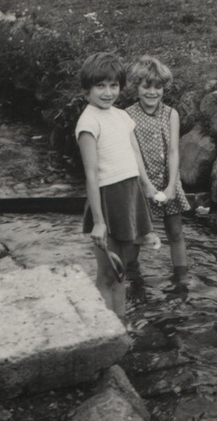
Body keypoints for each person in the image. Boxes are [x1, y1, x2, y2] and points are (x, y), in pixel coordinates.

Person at [76, 52, 155, 324]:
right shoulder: (88, 122)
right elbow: (91, 173)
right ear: (87, 88)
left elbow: (135, 154)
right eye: (100, 86)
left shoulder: (122, 116)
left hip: (129, 194)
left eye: (113, 85)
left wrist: (147, 186)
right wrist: (99, 221)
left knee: (122, 271)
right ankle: (104, 330)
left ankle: (121, 327)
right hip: (107, 198)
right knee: (107, 273)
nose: (108, 92)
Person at [125, 55, 192, 287]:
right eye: (146, 87)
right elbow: (134, 154)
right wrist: (147, 186)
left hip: (167, 181)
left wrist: (172, 185)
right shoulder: (127, 116)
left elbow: (173, 151)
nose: (152, 92)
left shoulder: (171, 114)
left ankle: (181, 280)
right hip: (140, 184)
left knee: (176, 232)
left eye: (158, 87)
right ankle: (132, 279)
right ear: (137, 87)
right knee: (136, 235)